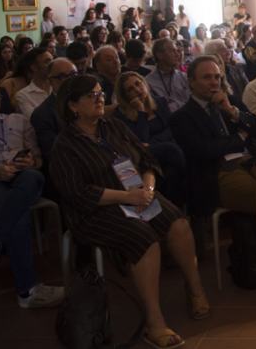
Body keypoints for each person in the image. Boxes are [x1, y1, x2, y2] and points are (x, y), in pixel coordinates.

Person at [51, 75, 208, 347]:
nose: (100, 99)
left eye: (101, 93)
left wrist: (147, 189)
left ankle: (195, 290)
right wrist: (127, 196)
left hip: (137, 195)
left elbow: (147, 159)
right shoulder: (65, 145)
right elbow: (78, 192)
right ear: (73, 106)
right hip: (97, 210)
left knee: (178, 224)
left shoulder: (113, 127)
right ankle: (154, 322)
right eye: (91, 96)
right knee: (144, 238)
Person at [169, 56, 256, 304]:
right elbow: (204, 151)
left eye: (217, 77)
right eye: (206, 77)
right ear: (191, 82)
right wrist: (240, 138)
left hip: (252, 164)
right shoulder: (182, 117)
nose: (214, 82)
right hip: (219, 174)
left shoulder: (229, 103)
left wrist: (233, 112)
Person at [0, 76, 66, 308]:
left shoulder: (17, 120)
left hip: (23, 179)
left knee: (33, 176)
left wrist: (30, 162)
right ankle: (27, 292)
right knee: (16, 210)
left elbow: (37, 158)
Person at [114, 72, 187, 208]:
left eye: (138, 84)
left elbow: (171, 129)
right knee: (172, 150)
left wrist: (154, 142)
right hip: (142, 157)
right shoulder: (120, 115)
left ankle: (174, 209)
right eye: (130, 89)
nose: (137, 90)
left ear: (144, 84)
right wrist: (141, 113)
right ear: (125, 96)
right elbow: (140, 141)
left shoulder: (160, 102)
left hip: (162, 152)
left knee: (171, 171)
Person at [30, 58, 78, 198]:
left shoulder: (89, 101)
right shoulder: (43, 114)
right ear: (50, 81)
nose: (70, 80)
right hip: (69, 173)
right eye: (62, 77)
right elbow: (56, 154)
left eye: (73, 75)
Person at [146, 38, 190, 113]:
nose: (177, 54)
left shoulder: (184, 77)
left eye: (177, 51)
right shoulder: (148, 82)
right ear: (160, 55)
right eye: (173, 51)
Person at [12, 47, 53, 119]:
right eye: (47, 62)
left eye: (52, 61)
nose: (52, 65)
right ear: (34, 67)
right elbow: (36, 120)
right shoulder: (23, 95)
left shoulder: (57, 86)